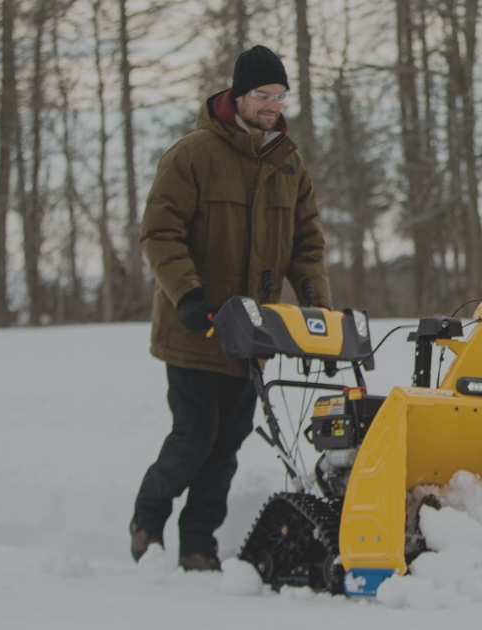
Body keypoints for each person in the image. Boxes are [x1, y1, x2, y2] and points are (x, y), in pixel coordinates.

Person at [130, 45, 332, 571]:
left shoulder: (289, 163)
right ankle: (147, 521)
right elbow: (159, 232)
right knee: (194, 438)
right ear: (238, 96)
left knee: (226, 447)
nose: (272, 105)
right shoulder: (193, 153)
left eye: (279, 95)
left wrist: (319, 315)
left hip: (252, 334)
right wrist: (189, 295)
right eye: (263, 95)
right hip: (196, 329)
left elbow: (307, 246)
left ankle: (198, 546)